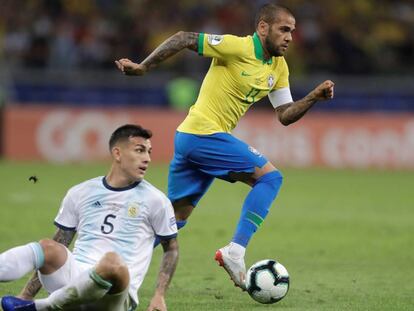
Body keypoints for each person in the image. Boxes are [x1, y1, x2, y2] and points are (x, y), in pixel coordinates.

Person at [115, 3, 334, 290]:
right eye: (283, 29)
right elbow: (183, 38)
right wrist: (144, 66)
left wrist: (313, 98)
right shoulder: (236, 47)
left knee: (175, 218)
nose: (290, 37)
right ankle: (235, 251)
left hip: (191, 138)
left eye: (292, 31)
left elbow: (284, 115)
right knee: (270, 178)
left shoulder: (278, 67)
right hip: (203, 134)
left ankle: (111, 263)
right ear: (263, 28)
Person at [0, 124, 179, 311]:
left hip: (115, 295)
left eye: (149, 152)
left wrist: (159, 295)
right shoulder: (81, 192)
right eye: (140, 151)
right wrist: (26, 294)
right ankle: (26, 302)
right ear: (117, 154)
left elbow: (171, 249)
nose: (147, 159)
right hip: (74, 281)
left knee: (112, 261)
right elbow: (61, 241)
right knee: (47, 247)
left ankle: (41, 307)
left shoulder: (156, 200)